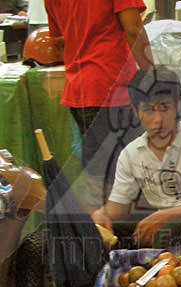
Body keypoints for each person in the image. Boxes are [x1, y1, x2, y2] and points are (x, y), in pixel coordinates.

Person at [91, 66, 181, 248]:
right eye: (149, 110)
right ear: (135, 112)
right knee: (98, 233)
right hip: (164, 225)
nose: (158, 119)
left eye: (164, 108)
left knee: (169, 230)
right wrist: (101, 215)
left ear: (177, 106)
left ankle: (156, 271)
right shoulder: (131, 153)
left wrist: (163, 215)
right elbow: (117, 208)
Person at [44, 0, 154, 212]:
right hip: (113, 85)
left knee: (98, 175)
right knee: (132, 173)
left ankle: (104, 237)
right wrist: (152, 75)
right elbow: (133, 28)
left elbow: (58, 37)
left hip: (80, 89)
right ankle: (129, 238)